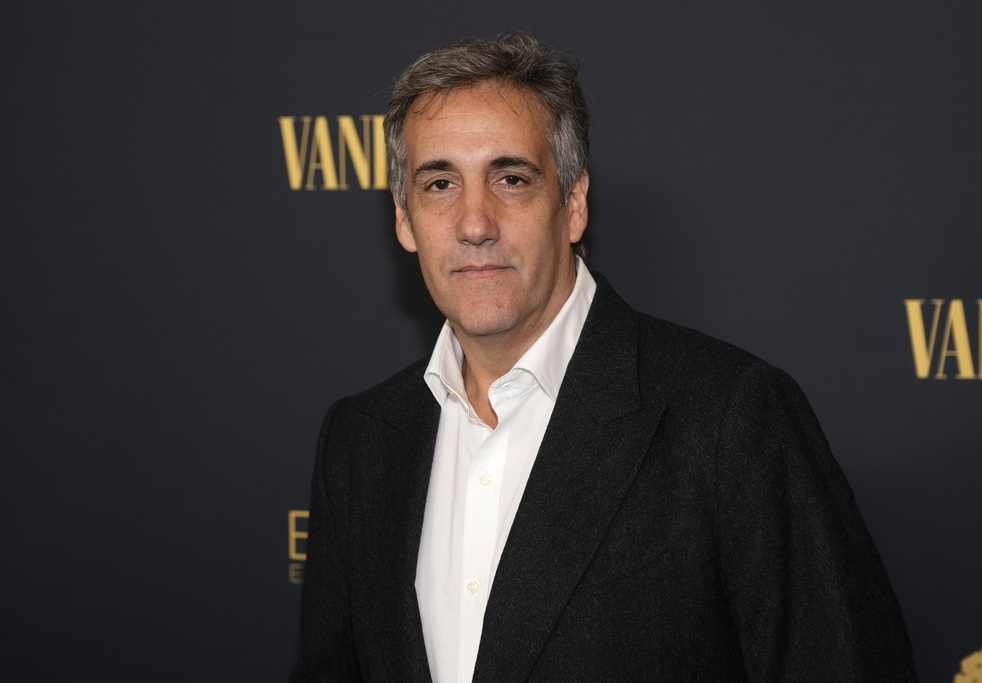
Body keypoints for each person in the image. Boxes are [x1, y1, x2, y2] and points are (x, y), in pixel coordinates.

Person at [291, 30, 917, 683]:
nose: (475, 224)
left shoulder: (732, 416)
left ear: (573, 204)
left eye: (511, 178)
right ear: (404, 219)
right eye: (440, 183)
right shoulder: (360, 443)